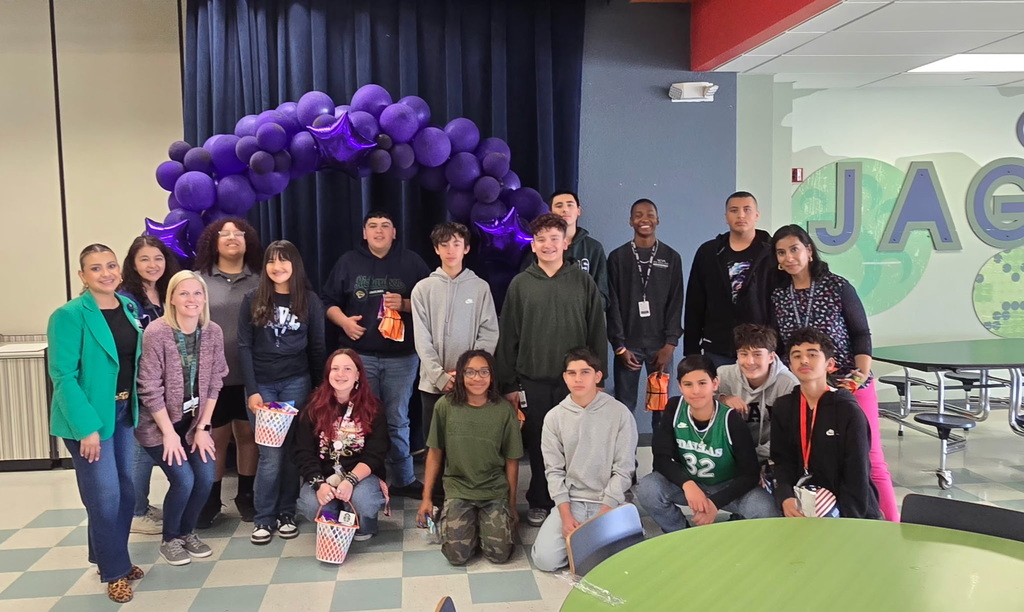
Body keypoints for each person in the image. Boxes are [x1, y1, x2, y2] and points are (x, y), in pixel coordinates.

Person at [769, 224, 898, 522]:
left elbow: (861, 333)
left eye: (795, 249)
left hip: (849, 382)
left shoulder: (837, 286)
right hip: (807, 386)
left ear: (809, 251)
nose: (789, 257)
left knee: (872, 461)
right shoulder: (779, 296)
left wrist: (860, 375)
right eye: (781, 252)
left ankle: (892, 527)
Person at [495, 213, 607, 527]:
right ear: (533, 245)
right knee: (542, 443)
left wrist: (598, 378)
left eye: (554, 238)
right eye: (541, 239)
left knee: (577, 442)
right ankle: (541, 499)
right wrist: (509, 384)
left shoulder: (582, 281)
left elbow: (597, 329)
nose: (547, 245)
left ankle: (574, 500)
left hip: (577, 381)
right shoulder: (521, 285)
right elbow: (509, 337)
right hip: (534, 380)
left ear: (565, 242)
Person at [48, 244, 145, 603]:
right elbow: (63, 376)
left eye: (110, 265)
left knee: (125, 491)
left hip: (122, 414)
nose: (106, 273)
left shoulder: (128, 306)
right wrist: (87, 427)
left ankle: (109, 556)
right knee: (104, 496)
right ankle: (115, 571)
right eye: (95, 268)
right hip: (88, 418)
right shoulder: (69, 315)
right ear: (82, 276)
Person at [322, 210, 431, 499]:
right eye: (373, 226)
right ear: (364, 233)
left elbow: (432, 304)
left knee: (397, 419)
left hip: (402, 357)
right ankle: (365, 479)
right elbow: (328, 302)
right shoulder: (348, 262)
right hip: (359, 358)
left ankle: (404, 479)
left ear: (394, 232)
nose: (379, 231)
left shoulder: (412, 262)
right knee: (360, 420)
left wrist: (406, 304)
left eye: (385, 226)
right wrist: (344, 322)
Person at [136, 271, 228, 566]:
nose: (192, 299)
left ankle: (187, 533)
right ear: (172, 298)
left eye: (197, 293)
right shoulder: (157, 333)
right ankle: (170, 539)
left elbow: (216, 381)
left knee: (205, 478)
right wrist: (168, 433)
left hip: (193, 424)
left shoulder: (212, 331)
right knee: (184, 481)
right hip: (159, 426)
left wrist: (203, 427)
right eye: (184, 293)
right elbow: (149, 388)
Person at [238, 240, 326, 544]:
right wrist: (252, 390)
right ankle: (263, 517)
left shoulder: (310, 301)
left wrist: (317, 390)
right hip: (262, 386)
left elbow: (317, 348)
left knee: (291, 452)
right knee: (270, 455)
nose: (277, 267)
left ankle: (287, 513)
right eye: (271, 262)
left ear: (295, 265)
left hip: (296, 382)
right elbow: (244, 347)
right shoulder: (252, 299)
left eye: (284, 261)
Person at [637, 355, 779, 533]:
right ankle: (678, 534)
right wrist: (687, 484)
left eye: (702, 383)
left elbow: (750, 475)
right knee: (648, 488)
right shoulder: (674, 407)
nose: (696, 390)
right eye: (688, 384)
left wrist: (715, 503)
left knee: (766, 508)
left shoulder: (731, 419)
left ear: (715, 384)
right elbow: (661, 459)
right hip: (690, 483)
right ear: (680, 386)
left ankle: (745, 536)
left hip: (727, 486)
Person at [531, 348, 637, 572]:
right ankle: (581, 549)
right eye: (572, 373)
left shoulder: (619, 413)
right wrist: (565, 514)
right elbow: (553, 471)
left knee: (622, 565)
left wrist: (605, 511)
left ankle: (591, 546)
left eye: (585, 372)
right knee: (545, 560)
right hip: (573, 502)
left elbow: (624, 468)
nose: (578, 379)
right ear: (564, 377)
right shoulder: (554, 418)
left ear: (597, 376)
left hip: (609, 502)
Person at [416, 350, 522, 566]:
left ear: (492, 376)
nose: (477, 378)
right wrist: (426, 498)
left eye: (484, 372)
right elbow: (435, 453)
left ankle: (481, 524)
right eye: (470, 372)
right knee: (457, 556)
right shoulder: (445, 406)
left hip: (493, 491)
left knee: (499, 555)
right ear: (460, 376)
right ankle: (470, 524)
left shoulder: (503, 410)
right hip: (459, 489)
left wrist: (511, 505)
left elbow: (512, 460)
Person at [411, 222, 499, 473]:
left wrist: (468, 374)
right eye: (445, 245)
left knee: (468, 445)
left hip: (470, 384)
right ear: (437, 250)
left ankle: (465, 498)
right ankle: (435, 499)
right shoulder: (423, 289)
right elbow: (422, 337)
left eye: (457, 244)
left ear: (466, 249)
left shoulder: (480, 287)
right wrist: (439, 375)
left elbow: (489, 332)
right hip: (433, 384)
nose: (451, 250)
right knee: (434, 446)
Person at [771, 328, 882, 520]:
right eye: (796, 356)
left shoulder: (848, 410)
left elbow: (858, 473)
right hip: (803, 500)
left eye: (812, 355)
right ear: (789, 365)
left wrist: (848, 520)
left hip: (850, 509)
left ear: (829, 364)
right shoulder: (783, 407)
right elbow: (782, 461)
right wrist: (785, 497)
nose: (804, 360)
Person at [194, 218, 263, 525]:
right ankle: (211, 498)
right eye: (226, 233)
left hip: (251, 373)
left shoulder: (261, 280)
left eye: (240, 233)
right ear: (213, 241)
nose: (233, 237)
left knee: (248, 435)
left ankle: (245, 495)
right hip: (212, 378)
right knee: (216, 437)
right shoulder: (198, 281)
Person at [117, 236, 180, 536]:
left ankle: (139, 504)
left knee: (147, 445)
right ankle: (135, 512)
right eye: (144, 259)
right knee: (140, 449)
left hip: (167, 382)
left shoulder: (167, 293)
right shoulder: (125, 298)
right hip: (139, 381)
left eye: (158, 258)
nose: (152, 265)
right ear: (132, 263)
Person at [294, 349, 388, 541]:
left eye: (347, 369)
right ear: (327, 374)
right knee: (312, 505)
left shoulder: (373, 408)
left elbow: (376, 453)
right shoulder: (312, 407)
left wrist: (350, 481)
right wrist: (319, 484)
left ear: (357, 375)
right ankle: (335, 514)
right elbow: (302, 452)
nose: (340, 374)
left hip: (360, 477)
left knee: (363, 501)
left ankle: (360, 520)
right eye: (335, 369)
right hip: (324, 476)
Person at [606, 198, 683, 428]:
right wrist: (619, 346)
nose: (644, 220)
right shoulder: (618, 257)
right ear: (631, 221)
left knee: (661, 409)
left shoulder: (671, 257)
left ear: (657, 219)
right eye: (638, 215)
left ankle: (661, 462)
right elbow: (613, 304)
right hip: (628, 347)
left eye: (649, 214)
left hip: (661, 347)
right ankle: (626, 463)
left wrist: (670, 344)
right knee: (624, 407)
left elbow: (676, 301)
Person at [684, 191, 771, 367]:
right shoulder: (708, 252)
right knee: (719, 395)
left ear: (757, 215)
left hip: (760, 348)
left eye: (747, 209)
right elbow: (695, 303)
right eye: (734, 210)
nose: (740, 215)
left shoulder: (771, 252)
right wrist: (691, 352)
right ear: (726, 217)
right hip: (718, 348)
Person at [716, 324, 798, 462]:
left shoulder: (789, 384)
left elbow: (788, 436)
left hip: (771, 458)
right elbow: (699, 406)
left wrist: (751, 458)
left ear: (771, 357)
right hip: (728, 457)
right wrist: (721, 398)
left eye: (757, 354)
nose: (750, 361)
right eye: (743, 354)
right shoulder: (723, 375)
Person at [521, 190, 609, 308]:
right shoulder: (540, 249)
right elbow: (524, 290)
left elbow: (603, 295)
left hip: (582, 319)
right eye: (559, 206)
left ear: (578, 211)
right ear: (550, 212)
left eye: (570, 205)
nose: (565, 210)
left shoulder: (594, 248)